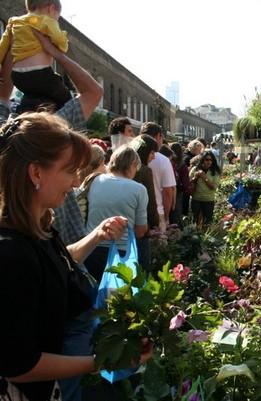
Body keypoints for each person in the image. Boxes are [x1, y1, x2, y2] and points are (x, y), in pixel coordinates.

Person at [0, 112, 152, 401]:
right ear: (36, 173)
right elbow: (19, 365)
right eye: (70, 171)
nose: (75, 183)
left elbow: (56, 263)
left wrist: (97, 235)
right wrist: (103, 361)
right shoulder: (10, 253)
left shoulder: (38, 227)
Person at [83, 146, 148, 282]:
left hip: (91, 248)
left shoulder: (94, 181)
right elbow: (141, 231)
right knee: (118, 298)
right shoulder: (139, 189)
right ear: (132, 165)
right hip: (122, 253)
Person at [0, 0, 71, 112]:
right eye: (57, 17)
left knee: (30, 96)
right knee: (66, 98)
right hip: (41, 74)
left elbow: (3, 46)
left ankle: (21, 110)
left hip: (18, 76)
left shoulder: (14, 22)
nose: (56, 20)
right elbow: (61, 42)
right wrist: (63, 39)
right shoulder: (46, 20)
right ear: (51, 9)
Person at [132, 134, 159, 272]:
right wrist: (155, 223)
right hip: (141, 225)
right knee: (142, 268)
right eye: (152, 153)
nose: (153, 157)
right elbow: (151, 201)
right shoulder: (144, 170)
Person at [142, 122, 176, 232]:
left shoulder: (130, 156)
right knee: (158, 247)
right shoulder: (163, 160)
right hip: (157, 212)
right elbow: (168, 192)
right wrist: (166, 218)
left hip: (133, 211)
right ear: (158, 136)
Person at [188, 150, 221, 226]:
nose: (209, 162)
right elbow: (189, 184)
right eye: (206, 159)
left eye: (211, 160)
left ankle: (204, 236)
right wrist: (195, 177)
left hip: (208, 200)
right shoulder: (195, 169)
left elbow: (213, 187)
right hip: (196, 199)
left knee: (206, 223)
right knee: (194, 222)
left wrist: (204, 177)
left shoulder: (215, 171)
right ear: (202, 160)